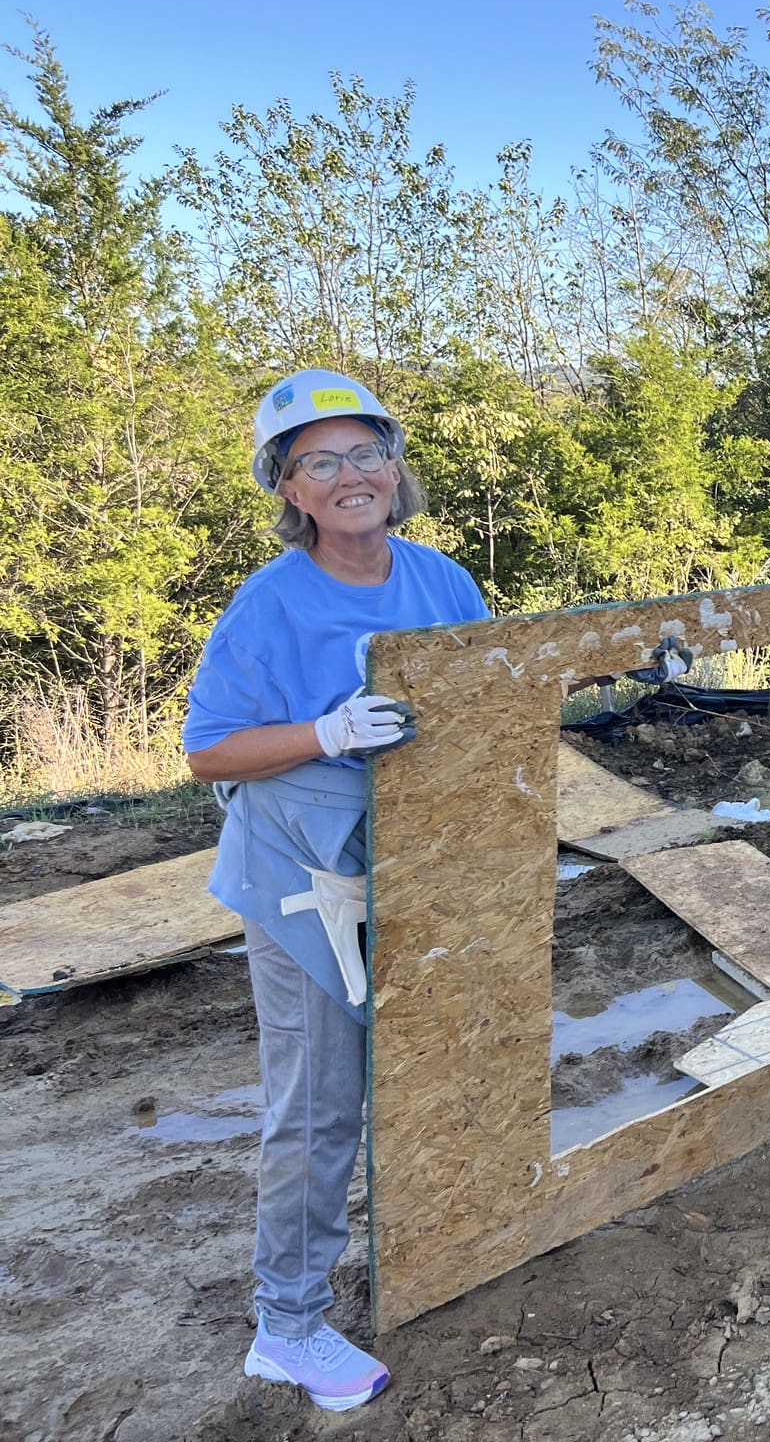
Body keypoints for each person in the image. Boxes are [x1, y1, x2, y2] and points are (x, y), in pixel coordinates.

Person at [183, 369, 489, 1411]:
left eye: (366, 453)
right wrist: (327, 731)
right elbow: (208, 752)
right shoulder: (269, 604)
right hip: (301, 872)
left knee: (422, 1059)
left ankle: (434, 1246)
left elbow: (486, 690)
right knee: (316, 1101)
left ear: (395, 469)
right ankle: (289, 1324)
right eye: (321, 461)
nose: (351, 475)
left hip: (410, 853)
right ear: (292, 489)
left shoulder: (440, 580)